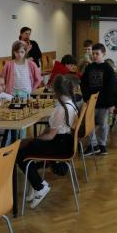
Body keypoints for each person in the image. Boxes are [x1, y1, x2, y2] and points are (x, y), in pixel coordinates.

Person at [16, 75, 79, 209]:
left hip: (59, 145)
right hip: (65, 142)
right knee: (26, 147)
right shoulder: (71, 103)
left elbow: (50, 136)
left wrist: (32, 139)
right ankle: (37, 184)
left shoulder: (61, 109)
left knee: (20, 153)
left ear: (56, 91)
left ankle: (39, 187)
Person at [81, 43, 116, 156]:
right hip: (91, 102)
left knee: (103, 124)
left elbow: (111, 88)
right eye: (93, 54)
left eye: (97, 54)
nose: (95, 56)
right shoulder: (89, 67)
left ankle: (102, 145)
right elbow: (83, 84)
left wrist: (111, 104)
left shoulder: (108, 69)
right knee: (89, 124)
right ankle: (93, 145)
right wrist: (87, 98)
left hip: (104, 103)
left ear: (103, 54)